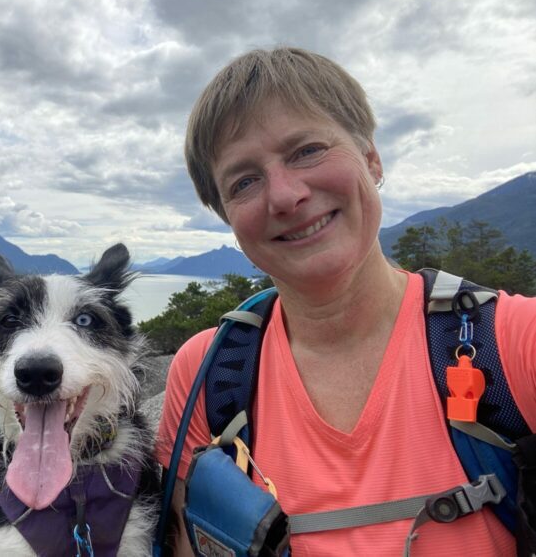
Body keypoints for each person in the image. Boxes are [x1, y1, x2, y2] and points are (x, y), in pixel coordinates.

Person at [155, 47, 536, 555]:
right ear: (228, 217)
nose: (285, 195)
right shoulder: (207, 372)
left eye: (307, 150)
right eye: (244, 181)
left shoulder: (513, 344)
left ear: (371, 158)